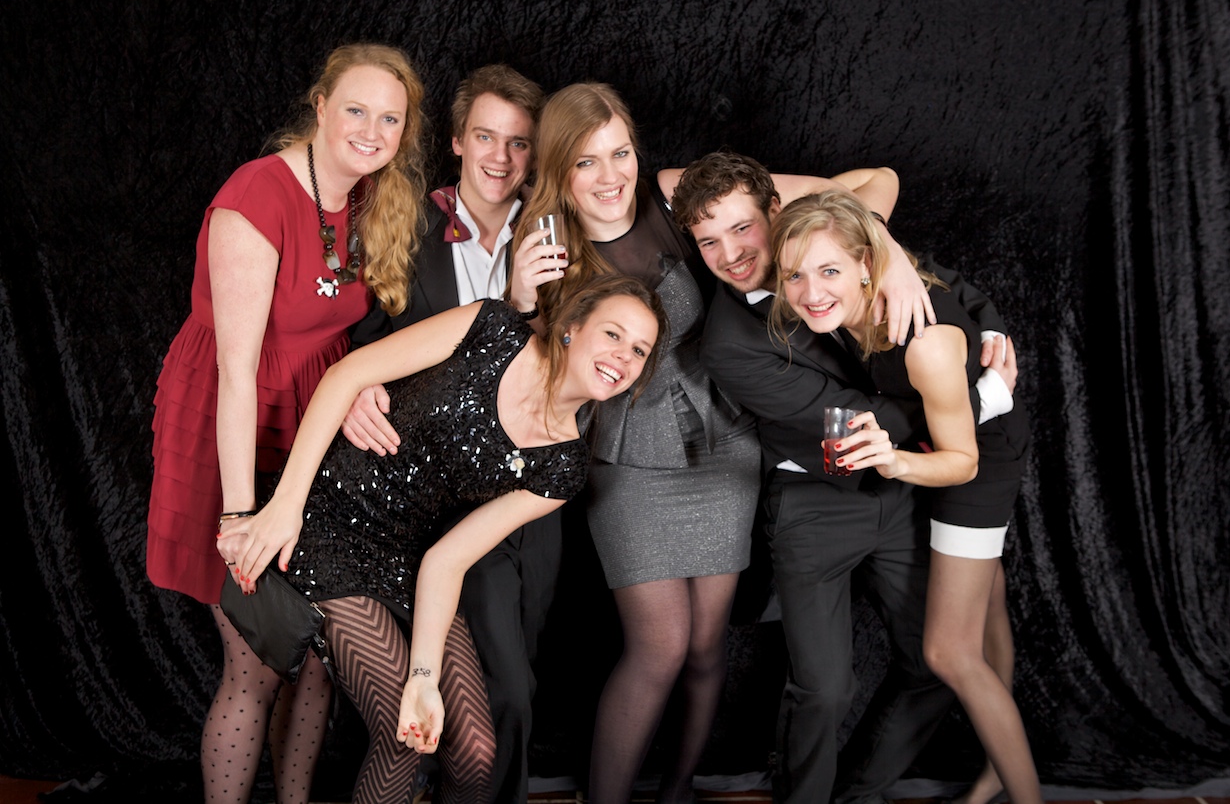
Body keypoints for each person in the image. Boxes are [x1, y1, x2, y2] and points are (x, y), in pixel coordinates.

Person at [216, 276, 666, 804]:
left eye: (640, 350)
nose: (624, 356)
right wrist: (285, 508)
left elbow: (448, 559)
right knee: (400, 735)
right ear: (572, 327)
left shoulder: (562, 466)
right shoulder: (493, 327)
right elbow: (347, 375)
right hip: (329, 519)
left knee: (475, 750)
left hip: (410, 558)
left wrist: (424, 678)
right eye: (613, 334)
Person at [672, 151, 1015, 803]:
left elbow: (911, 225)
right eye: (708, 241)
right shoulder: (729, 342)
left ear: (777, 212)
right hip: (815, 501)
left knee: (938, 659)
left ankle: (858, 793)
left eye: (742, 228)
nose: (731, 254)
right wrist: (975, 393)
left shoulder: (833, 243)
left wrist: (890, 254)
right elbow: (853, 420)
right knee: (825, 688)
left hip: (903, 487)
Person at [145, 43, 428, 803]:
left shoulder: (375, 196)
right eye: (357, 110)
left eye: (391, 119)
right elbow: (237, 372)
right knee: (257, 658)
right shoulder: (256, 195)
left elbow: (349, 326)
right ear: (320, 106)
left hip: (313, 422)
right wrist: (242, 518)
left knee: (315, 655)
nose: (372, 131)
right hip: (233, 425)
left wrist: (356, 381)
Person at [519, 83, 760, 804]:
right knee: (660, 646)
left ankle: (677, 791)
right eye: (585, 161)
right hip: (626, 459)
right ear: (559, 169)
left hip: (725, 445)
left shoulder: (668, 194)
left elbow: (807, 202)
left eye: (619, 153)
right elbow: (517, 365)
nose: (610, 175)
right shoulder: (545, 247)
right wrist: (520, 302)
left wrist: (886, 255)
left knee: (707, 646)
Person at [771, 190, 1037, 804]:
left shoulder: (924, 343)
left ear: (865, 265)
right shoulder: (864, 294)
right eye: (794, 276)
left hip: (975, 462)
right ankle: (997, 768)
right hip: (937, 445)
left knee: (949, 652)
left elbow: (963, 461)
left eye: (829, 271)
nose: (811, 292)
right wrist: (884, 246)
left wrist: (893, 461)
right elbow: (867, 188)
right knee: (986, 610)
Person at [341, 63, 555, 803]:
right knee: (487, 690)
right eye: (485, 137)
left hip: (529, 490)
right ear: (458, 141)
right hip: (430, 493)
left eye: (519, 143)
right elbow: (362, 340)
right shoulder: (408, 227)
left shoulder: (555, 232)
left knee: (519, 686)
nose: (501, 157)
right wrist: (358, 386)